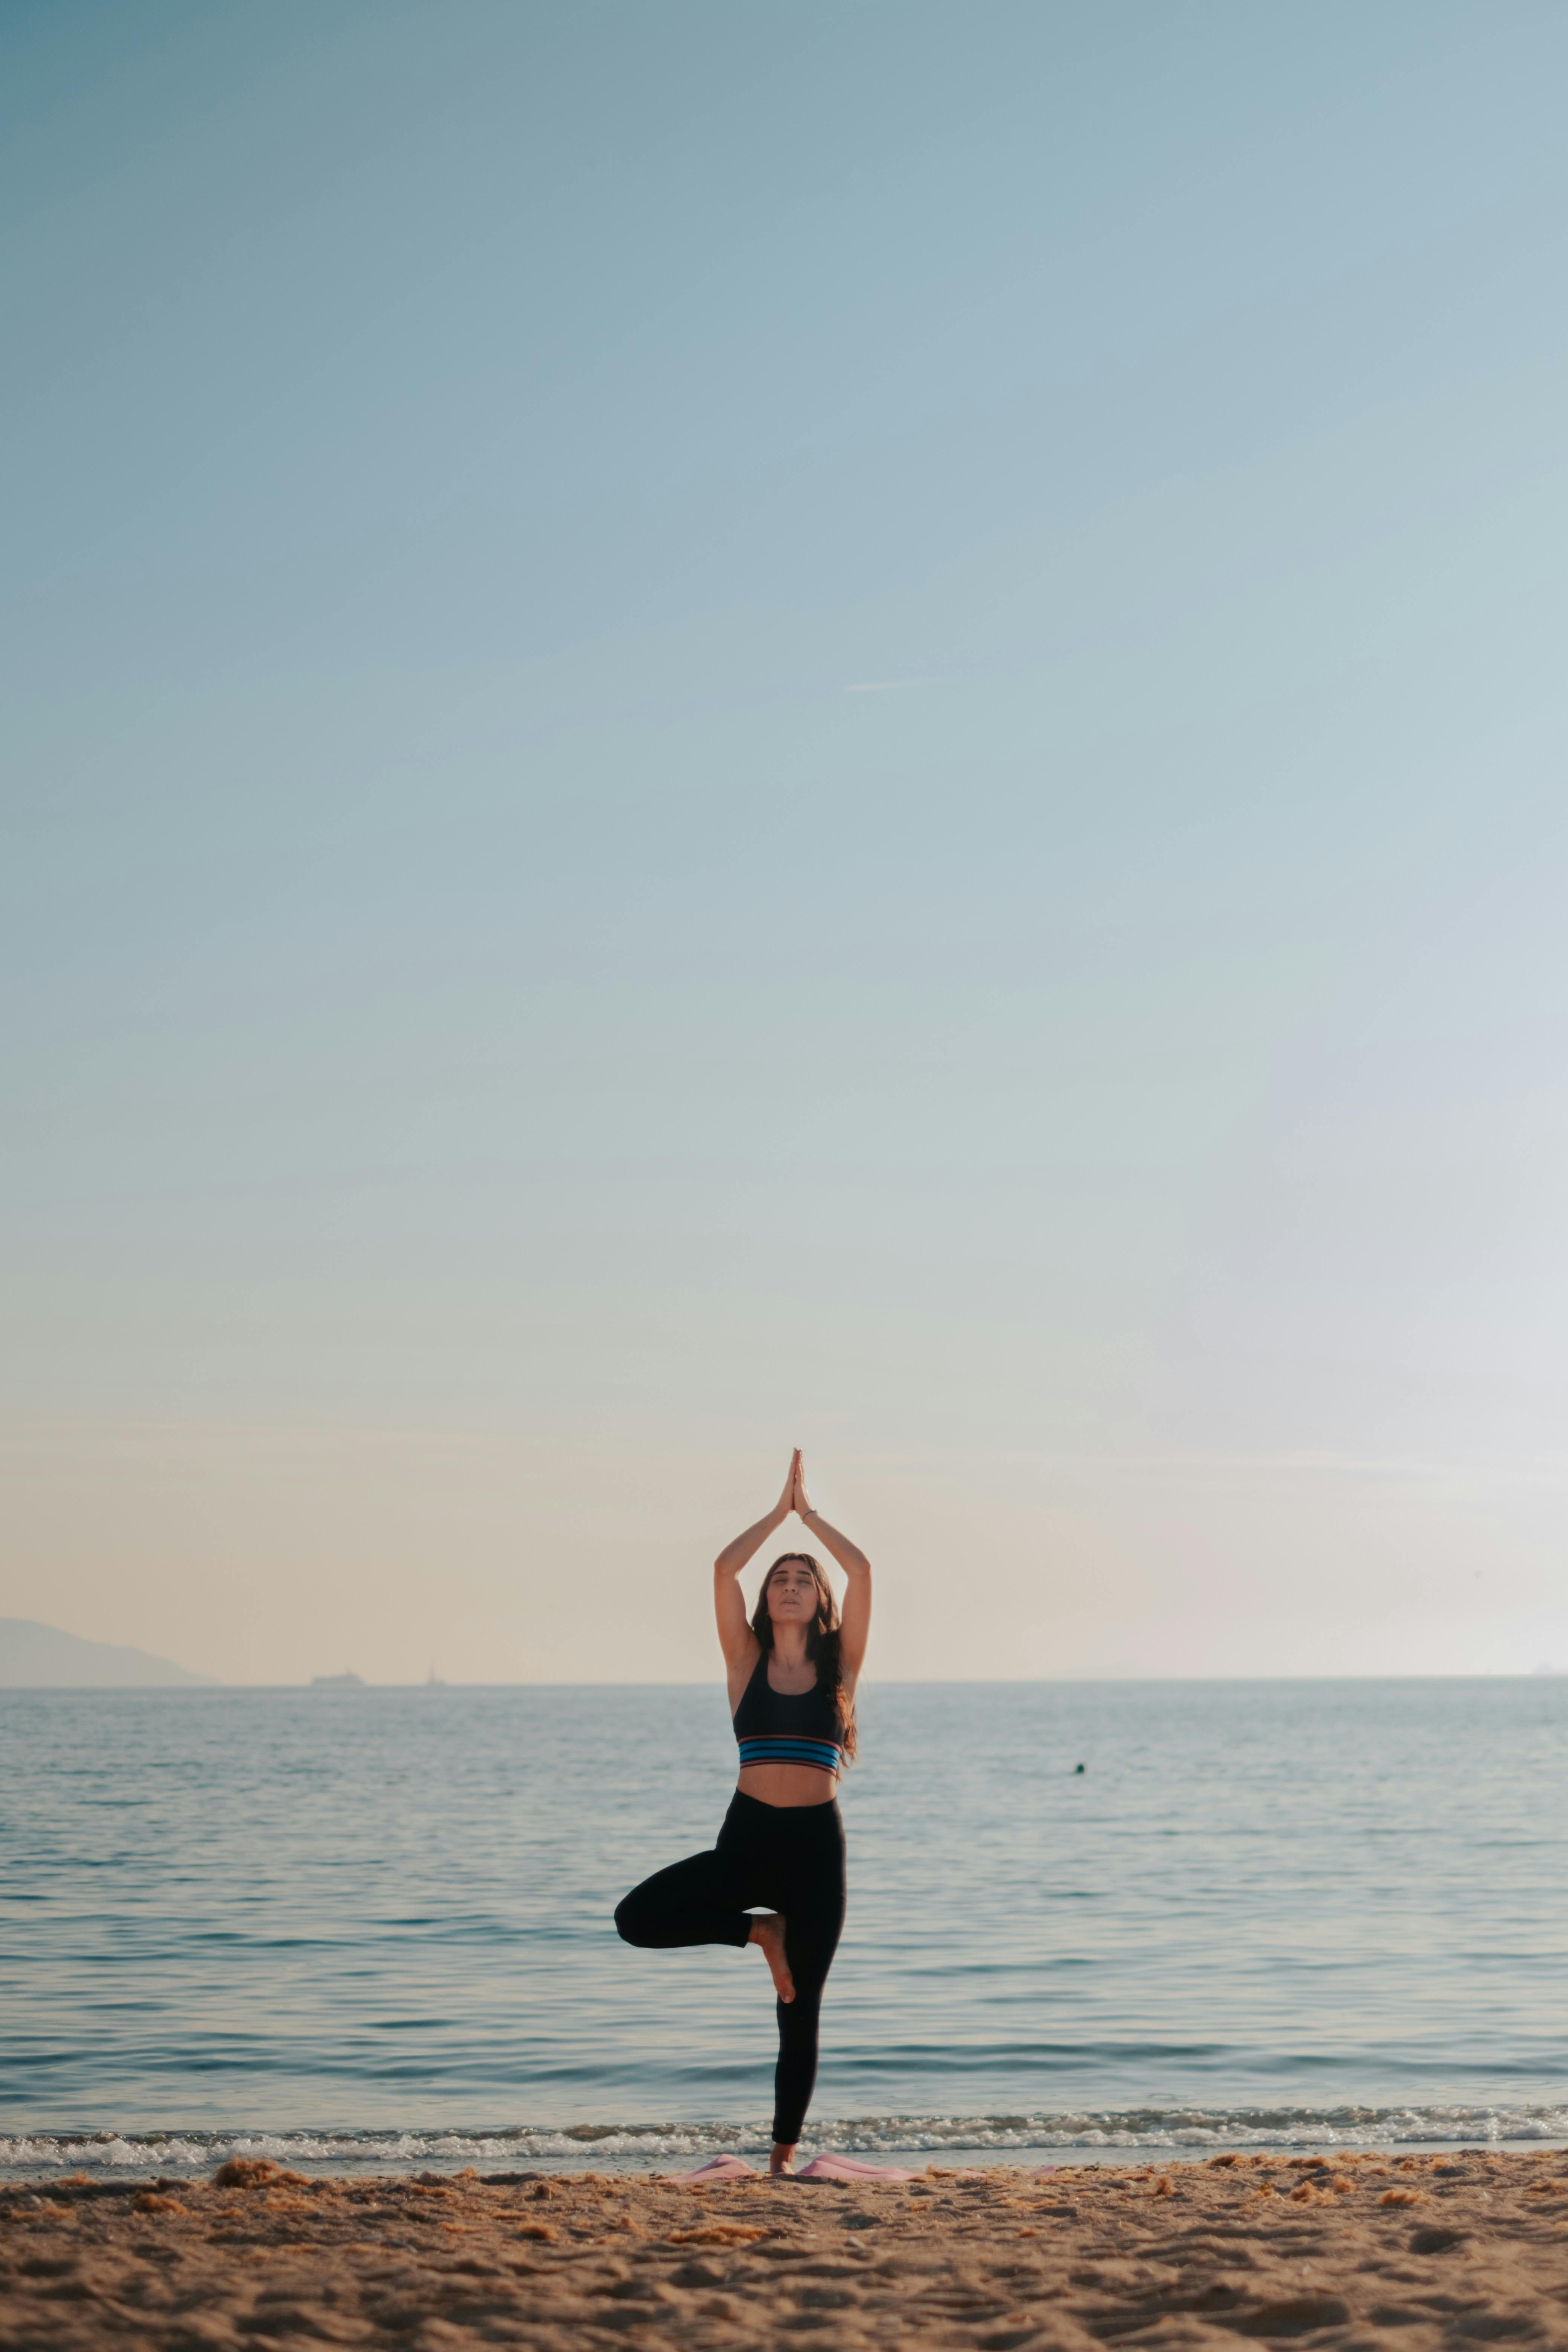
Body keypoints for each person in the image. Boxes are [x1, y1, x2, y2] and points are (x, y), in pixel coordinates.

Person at [614, 1449, 872, 2175]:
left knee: (801, 2010)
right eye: (780, 1580)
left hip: (817, 1851)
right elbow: (725, 1571)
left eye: (803, 1580)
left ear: (819, 1600)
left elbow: (865, 1574)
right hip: (749, 1840)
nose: (790, 1586)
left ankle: (782, 2159)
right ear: (767, 1600)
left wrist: (813, 1517)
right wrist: (779, 1511)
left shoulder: (840, 1668)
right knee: (635, 1919)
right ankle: (759, 1932)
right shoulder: (744, 1661)